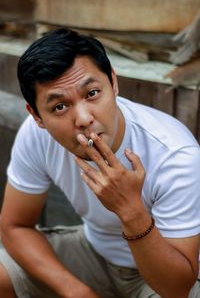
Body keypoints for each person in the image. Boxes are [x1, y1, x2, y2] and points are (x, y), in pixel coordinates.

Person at [0, 28, 199, 298]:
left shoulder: (175, 154)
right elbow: (15, 226)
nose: (83, 118)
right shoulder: (36, 135)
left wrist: (130, 210)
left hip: (162, 268)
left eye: (92, 93)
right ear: (36, 116)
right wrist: (76, 292)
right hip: (94, 251)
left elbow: (176, 288)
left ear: (114, 83)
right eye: (60, 107)